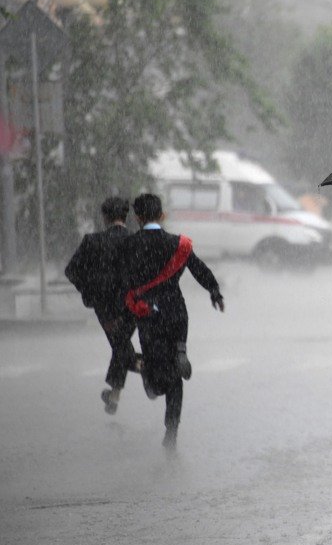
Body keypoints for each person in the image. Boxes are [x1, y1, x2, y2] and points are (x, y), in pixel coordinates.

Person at [118, 193, 224, 450]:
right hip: (176, 312)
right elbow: (198, 268)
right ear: (162, 216)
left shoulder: (130, 245)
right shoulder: (178, 244)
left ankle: (151, 375)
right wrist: (214, 290)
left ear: (137, 217)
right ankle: (172, 428)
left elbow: (121, 281)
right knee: (175, 378)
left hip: (148, 313)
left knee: (156, 376)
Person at [64, 196, 141, 414]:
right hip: (132, 307)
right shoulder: (137, 242)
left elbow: (71, 271)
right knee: (121, 346)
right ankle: (117, 393)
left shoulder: (92, 241)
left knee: (120, 347)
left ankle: (150, 370)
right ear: (125, 216)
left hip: (105, 308)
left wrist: (90, 292)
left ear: (105, 217)